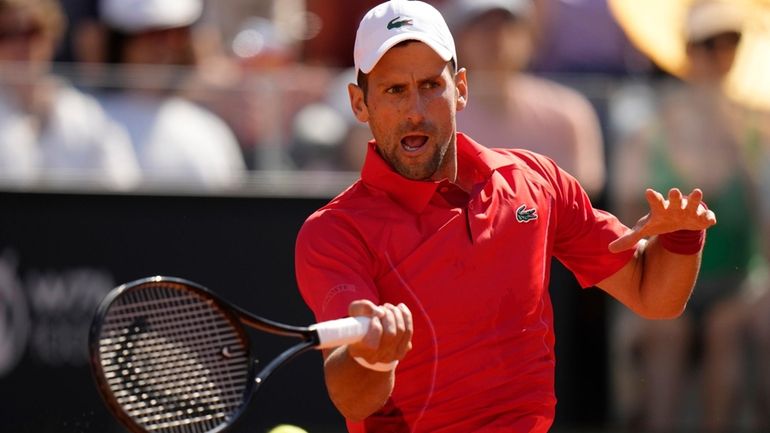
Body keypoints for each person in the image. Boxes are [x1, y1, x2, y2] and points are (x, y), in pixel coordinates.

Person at [293, 1, 716, 432]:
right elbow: (350, 393)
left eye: (430, 85)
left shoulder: (537, 181)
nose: (415, 110)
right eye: (394, 90)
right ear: (359, 103)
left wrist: (681, 237)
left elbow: (654, 295)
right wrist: (372, 356)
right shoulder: (333, 233)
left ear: (460, 87)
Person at [609, 1, 768, 431]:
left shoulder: (759, 127)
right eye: (711, 44)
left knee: (727, 330)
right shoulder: (646, 127)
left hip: (736, 285)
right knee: (666, 334)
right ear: (689, 50)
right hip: (662, 277)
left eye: (731, 42)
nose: (722, 54)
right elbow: (628, 223)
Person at [445, 0, 606, 198]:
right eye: (482, 26)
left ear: (530, 37)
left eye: (507, 25)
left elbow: (578, 204)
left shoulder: (569, 113)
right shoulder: (439, 115)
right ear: (459, 38)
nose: (496, 38)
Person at [81, 0, 247, 189]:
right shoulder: (85, 122)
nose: (165, 46)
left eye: (176, 34)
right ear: (121, 41)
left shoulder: (208, 131)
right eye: (151, 34)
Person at [0, 0, 140, 189]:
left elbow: (123, 188)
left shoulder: (86, 115)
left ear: (52, 35)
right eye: (7, 34)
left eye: (33, 31)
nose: (22, 45)